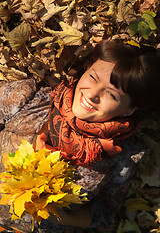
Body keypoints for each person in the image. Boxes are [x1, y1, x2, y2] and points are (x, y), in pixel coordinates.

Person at [0, 40, 160, 230]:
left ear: (129, 110)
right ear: (85, 69)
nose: (92, 94)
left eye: (112, 95)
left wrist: (62, 216)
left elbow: (103, 216)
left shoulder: (123, 157)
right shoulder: (29, 99)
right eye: (93, 77)